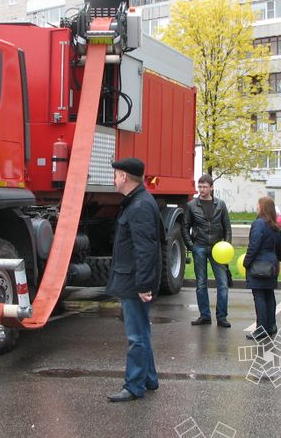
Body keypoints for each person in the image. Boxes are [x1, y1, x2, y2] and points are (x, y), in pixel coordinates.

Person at [105, 157, 163, 402]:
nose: (114, 179)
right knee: (141, 332)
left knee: (136, 336)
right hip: (133, 279)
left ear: (124, 177)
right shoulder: (137, 201)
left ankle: (134, 386)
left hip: (134, 281)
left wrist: (144, 285)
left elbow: (145, 249)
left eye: (116, 175)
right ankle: (148, 379)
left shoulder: (139, 206)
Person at [182, 174, 233, 328]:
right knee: (201, 284)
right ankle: (205, 315)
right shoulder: (192, 205)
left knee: (222, 284)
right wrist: (191, 246)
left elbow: (227, 227)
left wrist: (226, 246)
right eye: (200, 186)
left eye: (205, 187)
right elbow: (185, 227)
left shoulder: (220, 204)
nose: (202, 189)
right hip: (199, 247)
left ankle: (222, 317)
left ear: (211, 187)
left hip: (218, 249)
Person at [243, 196, 281, 339]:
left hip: (258, 266)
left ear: (262, 208)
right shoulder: (274, 226)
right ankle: (271, 325)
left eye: (258, 205)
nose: (257, 207)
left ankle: (261, 329)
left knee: (259, 297)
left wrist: (246, 262)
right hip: (271, 265)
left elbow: (254, 245)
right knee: (269, 295)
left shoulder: (259, 224)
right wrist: (276, 259)